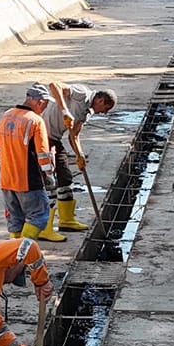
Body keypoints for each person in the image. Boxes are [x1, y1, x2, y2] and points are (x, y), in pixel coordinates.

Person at [43, 80, 117, 232]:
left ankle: (66, 221)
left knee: (66, 180)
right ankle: (45, 227)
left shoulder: (87, 113)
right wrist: (65, 111)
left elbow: (74, 136)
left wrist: (80, 155)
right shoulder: (82, 93)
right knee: (49, 183)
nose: (104, 113)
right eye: (105, 108)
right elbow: (54, 85)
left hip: (55, 140)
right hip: (42, 137)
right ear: (100, 100)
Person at [0, 85, 62, 242]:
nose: (45, 108)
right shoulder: (36, 121)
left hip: (6, 179)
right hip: (28, 180)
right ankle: (23, 251)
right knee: (39, 214)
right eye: (45, 104)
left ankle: (14, 256)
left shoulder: (6, 115)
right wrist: (49, 174)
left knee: (15, 220)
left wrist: (6, 164)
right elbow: (43, 153)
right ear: (39, 102)